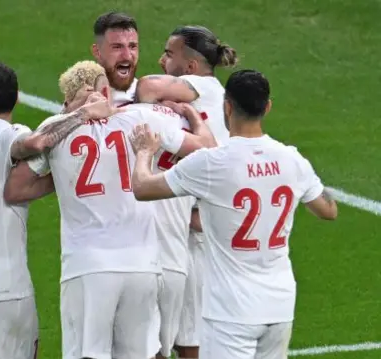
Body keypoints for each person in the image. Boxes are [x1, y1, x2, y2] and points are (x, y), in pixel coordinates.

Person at [4, 60, 216, 359]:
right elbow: (206, 148)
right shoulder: (143, 118)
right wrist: (193, 116)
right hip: (143, 265)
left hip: (88, 267)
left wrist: (66, 175)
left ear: (69, 100)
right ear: (105, 89)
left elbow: (16, 188)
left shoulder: (57, 128)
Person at [129, 69, 338, 359]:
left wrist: (144, 152)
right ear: (267, 107)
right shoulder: (292, 159)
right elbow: (328, 210)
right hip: (279, 305)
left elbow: (142, 188)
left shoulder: (212, 163)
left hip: (230, 310)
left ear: (227, 106)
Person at [0, 60, 119, 359]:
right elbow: (38, 141)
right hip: (0, 287)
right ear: (17, 97)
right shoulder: (9, 134)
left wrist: (60, 174)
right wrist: (83, 113)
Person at [135, 25, 239, 359]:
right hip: (197, 228)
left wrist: (163, 98)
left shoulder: (203, 87)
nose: (160, 60)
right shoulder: (210, 95)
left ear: (191, 67)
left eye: (168, 53)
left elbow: (146, 87)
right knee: (177, 336)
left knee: (188, 340)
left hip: (200, 235)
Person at [91, 11, 139, 107]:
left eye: (132, 46)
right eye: (117, 47)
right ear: (97, 52)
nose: (127, 56)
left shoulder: (151, 96)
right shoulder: (82, 101)